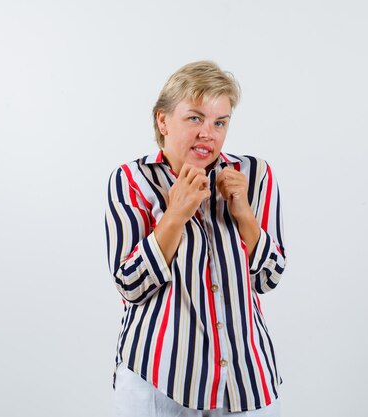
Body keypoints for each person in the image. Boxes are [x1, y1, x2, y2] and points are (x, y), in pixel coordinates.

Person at [105, 61, 286, 417]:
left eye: (220, 122)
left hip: (243, 379)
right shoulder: (130, 180)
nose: (209, 133)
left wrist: (244, 215)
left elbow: (269, 277)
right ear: (162, 121)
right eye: (195, 118)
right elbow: (129, 284)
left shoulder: (255, 175)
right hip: (159, 379)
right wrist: (175, 214)